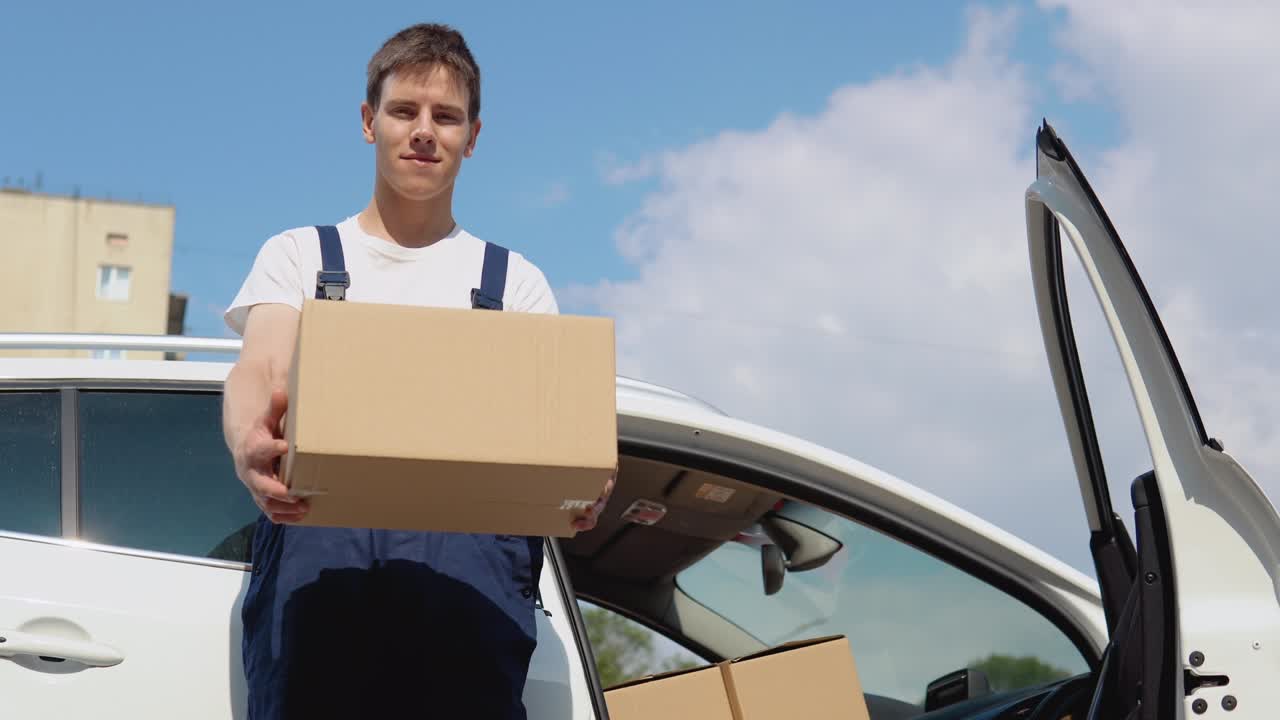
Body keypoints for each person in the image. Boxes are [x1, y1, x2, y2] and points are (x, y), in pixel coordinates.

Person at [221, 23, 614, 719]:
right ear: (370, 122)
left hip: (469, 587)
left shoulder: (515, 285)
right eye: (404, 111)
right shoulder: (302, 257)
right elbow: (260, 365)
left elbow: (563, 429)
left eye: (447, 116)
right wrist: (249, 440)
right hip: (321, 567)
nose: (424, 131)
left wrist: (585, 483)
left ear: (474, 134)